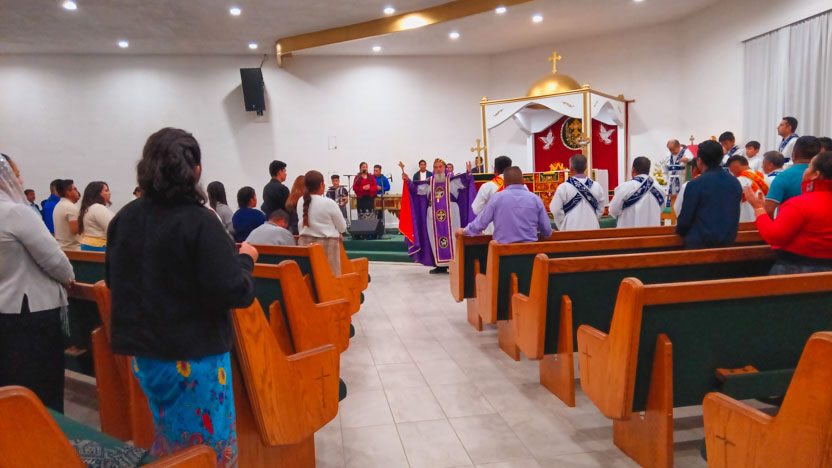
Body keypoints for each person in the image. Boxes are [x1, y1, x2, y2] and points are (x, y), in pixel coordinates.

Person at [107, 128, 257, 466]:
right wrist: (247, 260)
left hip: (147, 355)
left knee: (171, 439)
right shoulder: (199, 220)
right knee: (209, 451)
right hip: (194, 358)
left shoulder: (124, 218)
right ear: (196, 170)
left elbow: (116, 281)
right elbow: (233, 290)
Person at [0, 153, 74, 413]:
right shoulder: (16, 212)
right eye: (17, 175)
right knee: (41, 386)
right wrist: (69, 278)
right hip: (30, 311)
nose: (20, 181)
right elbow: (54, 259)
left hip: (4, 310)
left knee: (10, 384)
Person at [745, 151, 832, 274]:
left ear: (815, 175)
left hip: (798, 271)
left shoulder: (799, 204)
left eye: (808, 167)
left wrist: (759, 209)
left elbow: (775, 237)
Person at [403, 158, 476, 274]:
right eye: (436, 167)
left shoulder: (452, 180)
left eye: (440, 167)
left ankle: (454, 264)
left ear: (445, 168)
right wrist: (408, 181)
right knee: (434, 238)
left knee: (453, 238)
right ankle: (440, 266)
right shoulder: (429, 182)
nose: (438, 169)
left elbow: (465, 182)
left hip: (451, 214)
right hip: (433, 215)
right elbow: (417, 189)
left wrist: (468, 173)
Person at [675, 140, 742, 248]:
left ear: (699, 160)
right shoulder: (734, 182)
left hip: (699, 246)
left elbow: (684, 222)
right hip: (728, 244)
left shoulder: (695, 184)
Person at [462, 166, 552, 243]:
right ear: (524, 181)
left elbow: (480, 224)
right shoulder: (536, 199)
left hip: (502, 253)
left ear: (504, 183)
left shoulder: (496, 198)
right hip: (531, 253)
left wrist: (465, 231)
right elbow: (547, 231)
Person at [296, 171, 348, 273]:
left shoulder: (300, 201)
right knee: (330, 276)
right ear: (321, 185)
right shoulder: (329, 203)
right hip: (327, 247)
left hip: (305, 244)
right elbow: (342, 227)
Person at [765, 136, 821, 218]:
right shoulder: (825, 175)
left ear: (793, 155)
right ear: (819, 156)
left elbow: (769, 210)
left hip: (788, 224)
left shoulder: (783, 176)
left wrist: (775, 225)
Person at [549, 154, 608, 231]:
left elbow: (556, 210)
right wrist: (593, 217)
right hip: (592, 229)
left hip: (570, 229)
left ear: (571, 168)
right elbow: (601, 207)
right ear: (585, 167)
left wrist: (563, 223)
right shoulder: (596, 186)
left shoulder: (564, 187)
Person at [609, 156, 667, 228]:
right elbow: (661, 209)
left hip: (629, 232)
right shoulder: (659, 189)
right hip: (653, 232)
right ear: (648, 171)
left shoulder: (625, 187)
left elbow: (613, 210)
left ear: (633, 170)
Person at [472, 155, 512, 235]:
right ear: (511, 169)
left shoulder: (487, 187)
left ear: (495, 169)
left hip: (494, 232)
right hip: (516, 232)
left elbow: (475, 209)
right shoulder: (521, 186)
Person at [727, 155, 768, 223]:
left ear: (735, 167)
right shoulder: (764, 176)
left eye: (731, 169)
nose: (731, 173)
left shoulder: (740, 180)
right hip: (764, 217)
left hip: (746, 218)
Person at [78, 181, 115, 251]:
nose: (109, 193)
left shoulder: (88, 208)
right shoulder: (98, 208)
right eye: (106, 190)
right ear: (98, 194)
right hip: (99, 248)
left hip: (88, 246)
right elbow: (112, 229)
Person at [53, 179, 81, 251]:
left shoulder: (58, 205)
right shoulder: (70, 207)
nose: (77, 191)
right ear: (68, 192)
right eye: (75, 189)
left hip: (61, 247)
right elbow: (75, 229)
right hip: (73, 249)